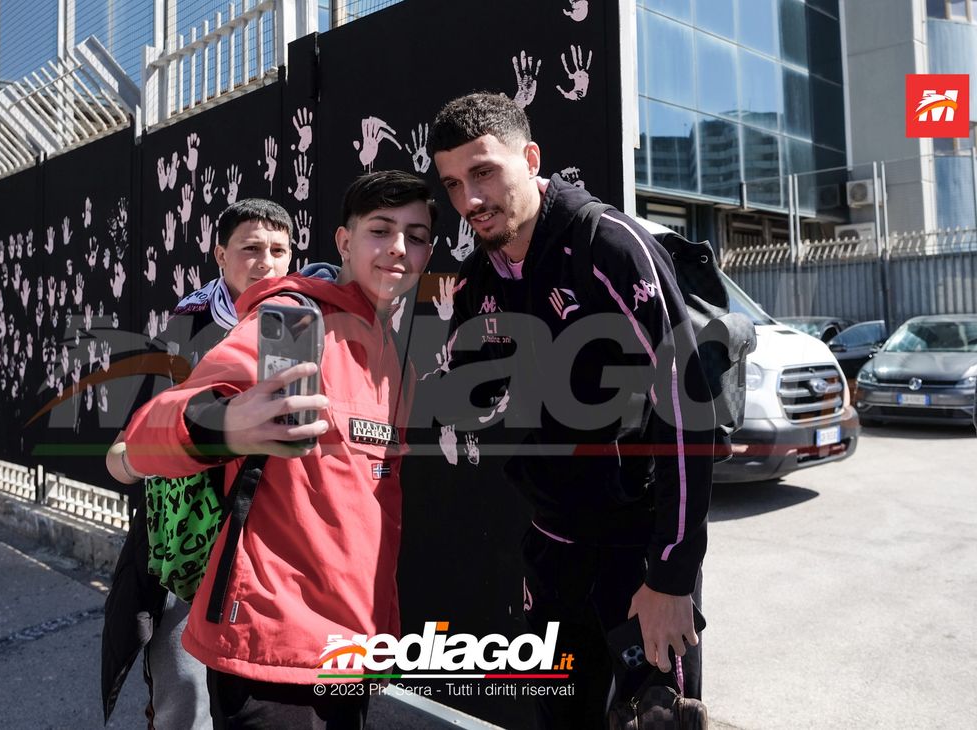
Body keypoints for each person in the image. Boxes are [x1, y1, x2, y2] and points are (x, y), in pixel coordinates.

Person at [429, 92, 714, 728]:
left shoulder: (606, 244)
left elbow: (689, 409)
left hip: (638, 558)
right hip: (553, 553)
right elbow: (472, 408)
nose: (469, 200)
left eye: (483, 172)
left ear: (529, 158)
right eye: (452, 183)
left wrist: (671, 577)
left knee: (661, 723)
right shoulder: (479, 283)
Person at [120, 170, 437, 729]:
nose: (398, 249)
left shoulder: (395, 357)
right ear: (344, 242)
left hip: (348, 652)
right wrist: (225, 426)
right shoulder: (292, 322)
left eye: (415, 236)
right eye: (380, 230)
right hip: (271, 652)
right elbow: (148, 434)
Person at [101, 198, 293, 729]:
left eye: (279, 250)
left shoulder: (304, 324)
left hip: (275, 545)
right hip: (192, 547)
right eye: (251, 249)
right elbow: (126, 445)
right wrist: (153, 459)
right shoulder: (185, 333)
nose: (266, 263)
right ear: (219, 256)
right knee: (183, 696)